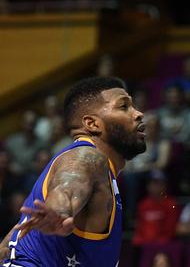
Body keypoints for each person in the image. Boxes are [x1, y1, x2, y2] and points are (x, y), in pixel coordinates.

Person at [0, 77, 146, 266]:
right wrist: (59, 211)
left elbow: (10, 245)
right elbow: (68, 185)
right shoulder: (86, 157)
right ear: (92, 124)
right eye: (124, 106)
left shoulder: (99, 169)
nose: (139, 114)